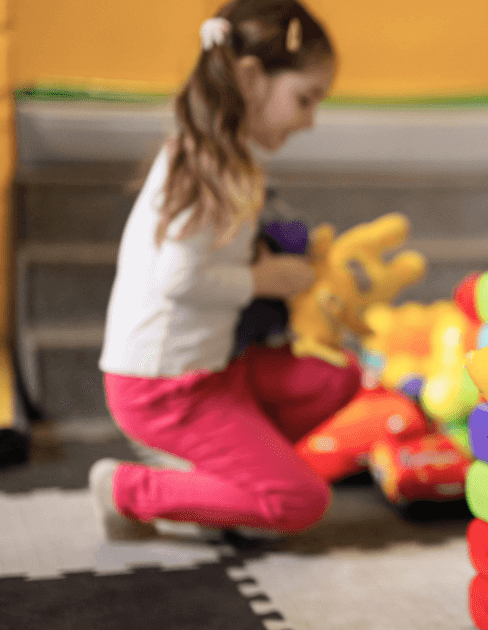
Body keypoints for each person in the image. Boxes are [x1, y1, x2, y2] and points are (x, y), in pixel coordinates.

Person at [90, 0, 362, 541]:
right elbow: (177, 278)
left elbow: (215, 258)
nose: (310, 120)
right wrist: (265, 279)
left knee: (340, 375)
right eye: (304, 99)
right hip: (164, 387)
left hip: (213, 370)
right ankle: (124, 490)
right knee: (299, 501)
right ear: (250, 78)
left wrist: (279, 266)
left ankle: (227, 484)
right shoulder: (204, 164)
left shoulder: (231, 160)